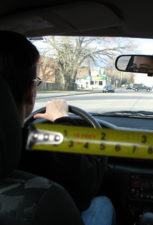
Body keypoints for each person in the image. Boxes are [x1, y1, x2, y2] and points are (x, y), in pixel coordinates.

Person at [0, 30, 114, 225]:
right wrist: (62, 120)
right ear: (31, 92)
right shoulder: (40, 147)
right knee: (102, 203)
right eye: (35, 82)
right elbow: (87, 187)